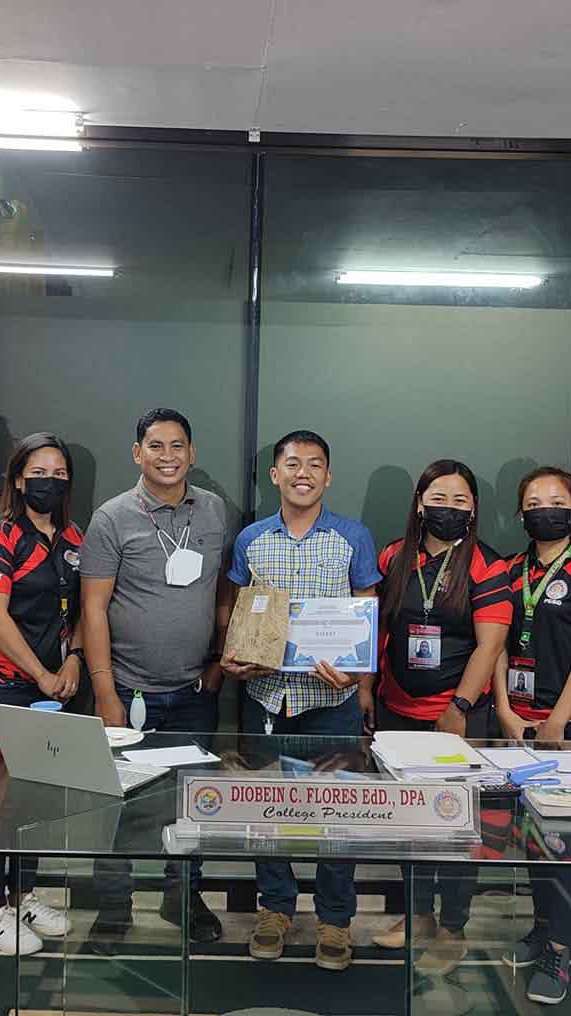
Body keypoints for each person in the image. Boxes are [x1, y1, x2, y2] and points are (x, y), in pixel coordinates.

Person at [221, 430, 382, 973]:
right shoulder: (251, 540)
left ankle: (335, 918)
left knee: (338, 814)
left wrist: (358, 676)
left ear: (328, 477)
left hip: (331, 700)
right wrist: (234, 657)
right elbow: (239, 613)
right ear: (275, 475)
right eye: (292, 463)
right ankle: (275, 909)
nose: (303, 473)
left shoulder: (352, 536)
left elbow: (367, 611)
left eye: (314, 464)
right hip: (266, 697)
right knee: (266, 809)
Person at [79, 408, 230, 944]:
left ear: (192, 453)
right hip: (127, 689)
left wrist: (218, 662)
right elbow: (93, 608)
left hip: (194, 691)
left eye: (177, 445)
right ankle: (113, 909)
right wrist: (104, 691)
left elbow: (224, 591)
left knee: (192, 805)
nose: (168, 456)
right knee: (116, 808)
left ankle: (182, 898)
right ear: (137, 453)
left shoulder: (213, 510)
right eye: (156, 446)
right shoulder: (111, 517)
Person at [369, 459, 512, 962]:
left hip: (457, 717)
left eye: (459, 500)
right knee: (408, 824)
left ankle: (453, 928)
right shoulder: (394, 555)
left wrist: (460, 707)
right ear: (419, 504)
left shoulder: (487, 565)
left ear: (473, 509)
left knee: (455, 826)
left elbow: (490, 644)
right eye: (437, 499)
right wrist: (367, 689)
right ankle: (417, 915)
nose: (447, 508)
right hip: (396, 711)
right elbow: (378, 627)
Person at [493, 465, 571, 1006]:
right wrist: (504, 710)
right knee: (532, 837)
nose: (545, 509)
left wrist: (558, 721)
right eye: (534, 502)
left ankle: (560, 951)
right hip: (518, 725)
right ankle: (542, 928)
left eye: (557, 501)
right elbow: (496, 644)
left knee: (568, 841)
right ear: (521, 514)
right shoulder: (508, 569)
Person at [0, 433, 81, 953]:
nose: (49, 482)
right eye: (39, 473)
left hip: (57, 686)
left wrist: (74, 659)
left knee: (36, 793)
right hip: (6, 682)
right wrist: (40, 673)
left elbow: (83, 610)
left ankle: (24, 895)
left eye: (59, 474)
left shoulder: (74, 538)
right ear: (18, 479)